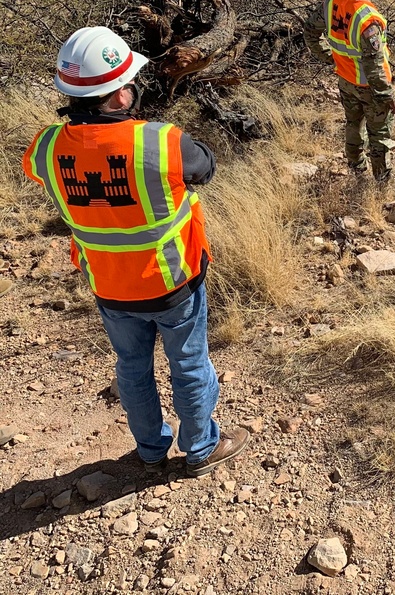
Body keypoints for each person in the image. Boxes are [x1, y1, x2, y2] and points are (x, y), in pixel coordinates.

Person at [22, 26, 249, 478]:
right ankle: (201, 447)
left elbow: (50, 166)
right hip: (171, 283)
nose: (132, 88)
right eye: (127, 83)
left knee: (131, 367)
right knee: (187, 362)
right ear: (119, 98)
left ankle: (149, 448)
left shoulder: (45, 147)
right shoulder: (160, 141)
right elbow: (204, 165)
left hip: (108, 285)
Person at [304, 0, 395, 182]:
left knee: (353, 125)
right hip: (370, 88)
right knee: (379, 135)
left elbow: (309, 31)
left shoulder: (331, 3)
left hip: (345, 81)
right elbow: (374, 66)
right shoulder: (367, 18)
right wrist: (389, 96)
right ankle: (381, 182)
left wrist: (329, 57)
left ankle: (357, 170)